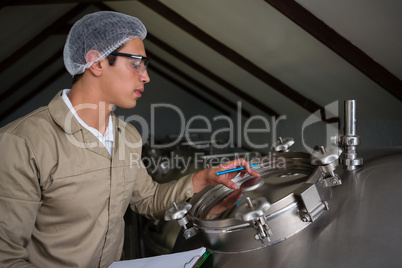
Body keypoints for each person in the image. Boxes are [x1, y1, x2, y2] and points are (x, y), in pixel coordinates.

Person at [0, 11, 260, 267]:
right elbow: (6, 258)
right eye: (136, 63)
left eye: (145, 66)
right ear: (97, 62)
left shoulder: (128, 136)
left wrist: (205, 178)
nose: (145, 76)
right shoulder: (22, 143)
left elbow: (147, 199)